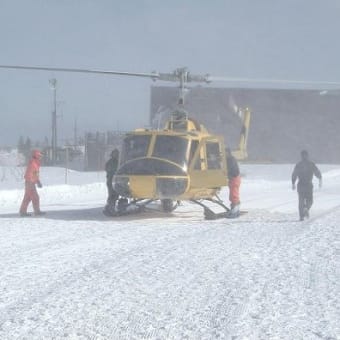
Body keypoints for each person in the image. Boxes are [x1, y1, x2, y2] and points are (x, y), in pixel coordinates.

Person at [292, 150, 322, 221]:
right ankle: (306, 208)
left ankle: (301, 216)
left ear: (301, 156)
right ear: (307, 156)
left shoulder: (298, 165)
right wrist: (320, 178)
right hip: (308, 184)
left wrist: (293, 183)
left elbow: (294, 174)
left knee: (301, 201)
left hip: (301, 185)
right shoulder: (311, 164)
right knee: (310, 200)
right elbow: (316, 172)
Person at [19, 149, 45, 217]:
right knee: (35, 197)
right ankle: (37, 211)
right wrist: (31, 182)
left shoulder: (36, 163)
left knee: (27, 197)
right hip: (30, 182)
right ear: (36, 156)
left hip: (31, 182)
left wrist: (38, 181)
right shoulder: (33, 163)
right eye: (39, 156)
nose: (40, 157)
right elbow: (29, 173)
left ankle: (22, 211)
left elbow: (35, 174)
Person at [226, 147, 241, 217]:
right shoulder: (230, 159)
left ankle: (234, 211)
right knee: (233, 195)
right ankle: (235, 210)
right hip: (234, 178)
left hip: (234, 178)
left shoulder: (230, 159)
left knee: (234, 195)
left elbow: (230, 169)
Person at [104, 148, 120, 215]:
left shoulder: (117, 161)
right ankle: (111, 208)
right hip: (111, 181)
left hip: (115, 180)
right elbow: (108, 169)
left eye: (117, 154)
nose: (116, 155)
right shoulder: (112, 162)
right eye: (115, 154)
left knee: (114, 195)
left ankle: (109, 207)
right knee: (113, 195)